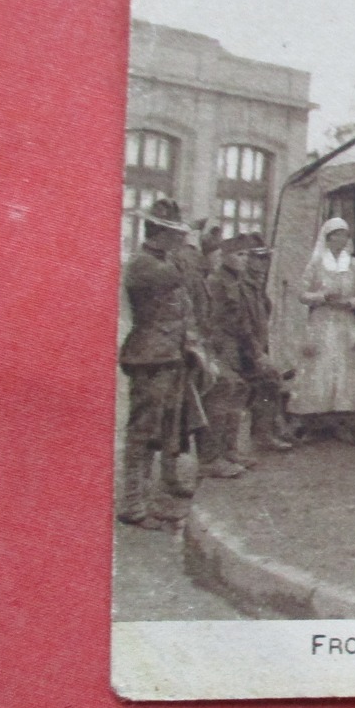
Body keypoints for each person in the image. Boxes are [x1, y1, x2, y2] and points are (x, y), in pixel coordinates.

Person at [117, 198, 211, 529]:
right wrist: (191, 243)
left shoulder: (161, 259)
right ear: (160, 234)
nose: (179, 242)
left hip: (170, 355)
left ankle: (154, 495)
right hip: (150, 357)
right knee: (142, 432)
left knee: (167, 428)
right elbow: (177, 275)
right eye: (175, 236)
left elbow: (182, 305)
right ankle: (133, 504)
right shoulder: (143, 263)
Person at [290, 216, 355, 442]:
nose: (341, 239)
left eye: (345, 235)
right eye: (337, 235)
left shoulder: (353, 265)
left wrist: (352, 302)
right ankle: (313, 423)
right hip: (322, 322)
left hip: (345, 322)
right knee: (319, 370)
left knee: (344, 372)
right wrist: (322, 296)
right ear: (328, 238)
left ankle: (341, 423)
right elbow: (302, 294)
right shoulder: (316, 264)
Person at [200, 234, 273, 476]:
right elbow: (219, 320)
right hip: (221, 346)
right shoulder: (217, 282)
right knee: (220, 396)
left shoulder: (237, 281)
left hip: (236, 345)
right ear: (225, 257)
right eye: (239, 255)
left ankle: (229, 450)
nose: (244, 259)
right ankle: (210, 458)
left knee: (237, 395)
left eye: (245, 255)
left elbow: (245, 320)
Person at [242, 233, 295, 452]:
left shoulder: (257, 284)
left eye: (265, 259)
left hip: (255, 345)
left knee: (273, 379)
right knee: (269, 379)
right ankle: (263, 434)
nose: (263, 264)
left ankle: (269, 430)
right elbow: (242, 324)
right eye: (258, 258)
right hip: (242, 349)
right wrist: (256, 353)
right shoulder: (243, 284)